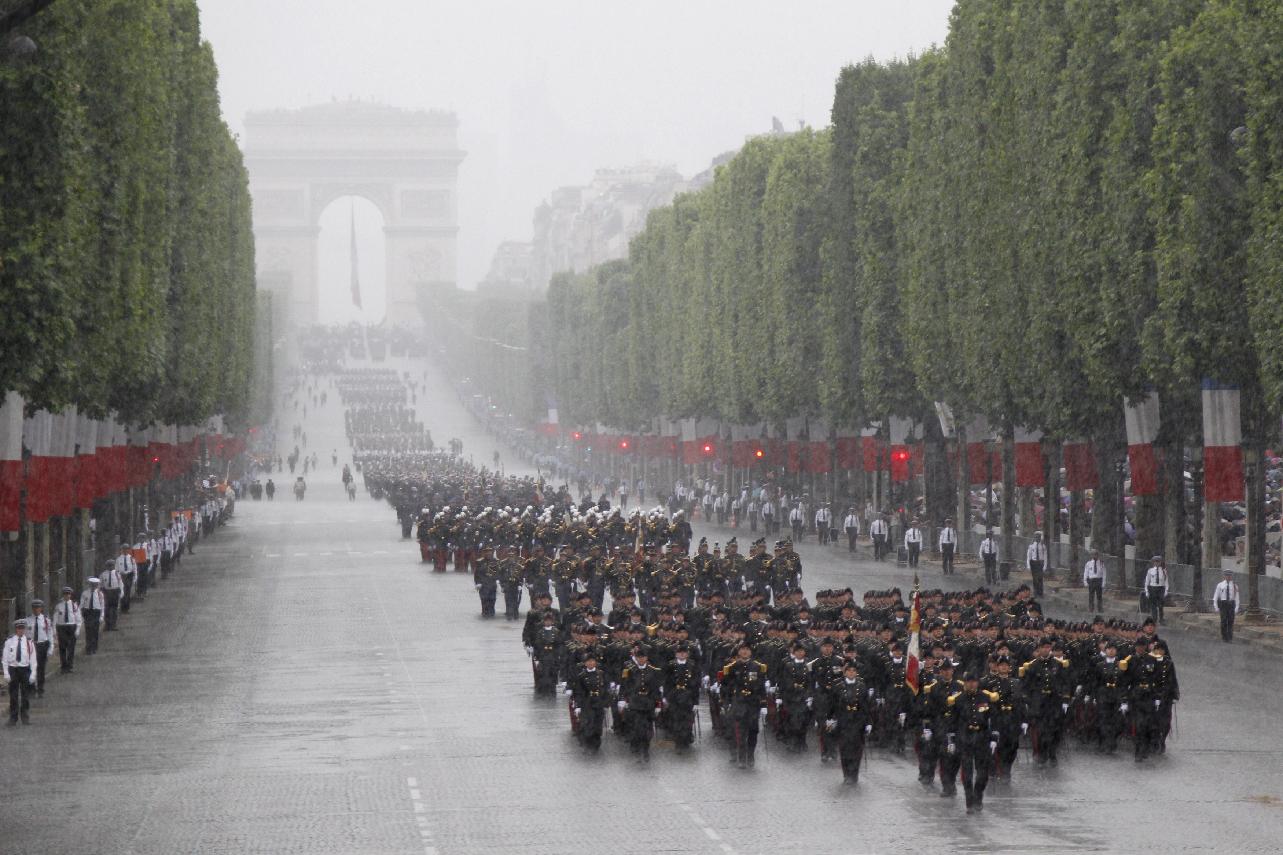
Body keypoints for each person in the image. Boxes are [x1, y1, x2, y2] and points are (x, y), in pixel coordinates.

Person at [948, 670, 1000, 813]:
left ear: (978, 682)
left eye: (974, 681)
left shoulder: (987, 697)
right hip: (964, 739)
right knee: (967, 772)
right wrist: (951, 740)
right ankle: (969, 801)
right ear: (965, 683)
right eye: (969, 681)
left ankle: (978, 795)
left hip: (982, 738)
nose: (972, 684)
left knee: (982, 774)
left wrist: (994, 737)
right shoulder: (958, 700)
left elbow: (994, 718)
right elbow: (952, 721)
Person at [718, 642, 769, 768]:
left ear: (751, 652)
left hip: (753, 702)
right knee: (740, 731)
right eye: (742, 649)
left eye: (747, 649)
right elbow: (726, 687)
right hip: (739, 702)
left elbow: (761, 687)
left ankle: (750, 755)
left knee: (753, 730)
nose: (745, 652)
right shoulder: (731, 667)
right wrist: (726, 702)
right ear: (738, 652)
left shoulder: (758, 667)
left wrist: (763, 705)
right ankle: (741, 757)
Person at [826, 660, 871, 785]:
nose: (851, 673)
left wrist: (868, 722)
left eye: (854, 671)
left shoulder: (862, 686)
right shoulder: (838, 686)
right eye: (849, 671)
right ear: (845, 673)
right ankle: (847, 774)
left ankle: (854, 774)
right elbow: (832, 703)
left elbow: (866, 706)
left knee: (857, 749)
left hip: (858, 721)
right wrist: (829, 718)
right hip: (844, 721)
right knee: (845, 749)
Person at [618, 646, 664, 762]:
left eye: (643, 657)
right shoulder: (628, 670)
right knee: (636, 727)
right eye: (639, 657)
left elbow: (655, 689)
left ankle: (646, 749)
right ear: (636, 658)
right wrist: (623, 699)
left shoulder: (653, 671)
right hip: (635, 702)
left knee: (648, 728)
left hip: (648, 703)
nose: (641, 659)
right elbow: (624, 686)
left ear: (646, 658)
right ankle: (636, 746)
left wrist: (658, 704)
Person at [571, 650, 610, 754]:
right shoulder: (581, 676)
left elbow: (606, 690)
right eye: (588, 661)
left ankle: (596, 745)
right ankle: (587, 745)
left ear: (595, 662)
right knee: (588, 724)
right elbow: (579, 692)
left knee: (597, 725)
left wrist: (606, 703)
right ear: (585, 663)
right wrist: (578, 705)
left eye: (592, 661)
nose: (590, 663)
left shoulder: (601, 674)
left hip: (599, 701)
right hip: (587, 702)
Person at [3, 620, 36, 724]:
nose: (21, 630)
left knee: (25, 695)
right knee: (13, 695)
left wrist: (33, 674)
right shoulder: (9, 641)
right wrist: (6, 673)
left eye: (22, 628)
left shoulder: (29, 642)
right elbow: (5, 658)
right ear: (16, 629)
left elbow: (33, 659)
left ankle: (25, 716)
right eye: (19, 628)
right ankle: (13, 717)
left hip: (24, 669)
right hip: (13, 669)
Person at [23, 600, 53, 696]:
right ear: (32, 609)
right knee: (30, 668)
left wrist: (51, 647)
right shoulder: (27, 620)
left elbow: (49, 634)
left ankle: (40, 688)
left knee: (41, 668)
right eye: (34, 608)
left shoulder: (46, 620)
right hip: (31, 646)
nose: (36, 610)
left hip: (42, 645)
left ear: (41, 608)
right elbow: (24, 635)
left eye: (38, 607)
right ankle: (31, 688)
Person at [53, 587, 81, 674]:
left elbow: (78, 618)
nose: (67, 596)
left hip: (71, 626)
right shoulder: (59, 606)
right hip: (62, 627)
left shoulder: (74, 605)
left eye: (68, 594)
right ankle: (63, 666)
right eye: (65, 594)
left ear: (70, 595)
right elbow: (55, 619)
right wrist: (54, 630)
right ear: (63, 595)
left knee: (71, 647)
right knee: (62, 647)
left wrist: (77, 630)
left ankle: (70, 665)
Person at [1212, 569, 1241, 642]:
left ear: (1231, 576)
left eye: (1230, 575)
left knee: (1231, 621)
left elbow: (1237, 597)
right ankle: (1224, 636)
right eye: (1227, 575)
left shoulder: (1234, 586)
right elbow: (1216, 596)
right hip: (1223, 604)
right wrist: (1215, 606)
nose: (1228, 577)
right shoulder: (1220, 585)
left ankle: (1230, 637)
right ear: (1224, 576)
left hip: (1231, 604)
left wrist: (1236, 607)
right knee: (1224, 621)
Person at [80, 577, 104, 654]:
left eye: (95, 585)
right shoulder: (85, 593)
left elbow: (102, 605)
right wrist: (80, 615)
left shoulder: (100, 594)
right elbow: (81, 604)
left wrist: (101, 616)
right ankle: (89, 647)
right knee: (88, 630)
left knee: (95, 630)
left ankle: (94, 647)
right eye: (92, 585)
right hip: (88, 612)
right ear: (90, 585)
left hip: (96, 612)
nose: (94, 586)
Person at [102, 557, 126, 631]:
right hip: (107, 592)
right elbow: (100, 584)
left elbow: (120, 583)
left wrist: (121, 591)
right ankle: (107, 625)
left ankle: (114, 625)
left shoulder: (116, 574)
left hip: (115, 591)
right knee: (107, 609)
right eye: (109, 566)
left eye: (111, 565)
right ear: (106, 566)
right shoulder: (103, 574)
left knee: (115, 609)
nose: (110, 567)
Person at [1143, 556, 1169, 624]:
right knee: (1153, 605)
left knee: (1161, 605)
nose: (1157, 563)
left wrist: (1166, 590)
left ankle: (1161, 619)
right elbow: (1147, 581)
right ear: (1153, 562)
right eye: (1155, 561)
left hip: (1161, 588)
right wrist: (1147, 591)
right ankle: (1154, 620)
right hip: (1153, 588)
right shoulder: (1150, 570)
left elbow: (1166, 581)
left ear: (1160, 562)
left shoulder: (1163, 571)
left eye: (1158, 561)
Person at [1026, 531, 1047, 597]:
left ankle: (1040, 593)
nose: (1037, 538)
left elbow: (1045, 557)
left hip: (1040, 563)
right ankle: (1035, 592)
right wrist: (1028, 565)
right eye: (1036, 537)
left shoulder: (1043, 546)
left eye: (1038, 537)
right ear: (1034, 538)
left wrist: (1045, 566)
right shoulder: (1031, 546)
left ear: (1040, 538)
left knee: (1040, 578)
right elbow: (1028, 556)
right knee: (1035, 579)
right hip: (1034, 563)